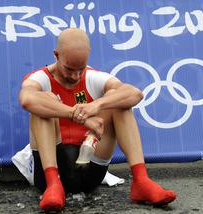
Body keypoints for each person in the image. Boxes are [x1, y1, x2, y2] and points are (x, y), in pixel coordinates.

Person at [19, 28, 177, 211]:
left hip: (90, 166)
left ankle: (141, 181)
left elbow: (135, 94)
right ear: (56, 55)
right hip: (51, 170)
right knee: (43, 101)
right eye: (69, 69)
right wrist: (76, 115)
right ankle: (54, 184)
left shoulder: (93, 77)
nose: (75, 77)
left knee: (117, 98)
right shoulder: (39, 78)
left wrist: (98, 105)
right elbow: (27, 99)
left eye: (80, 70)